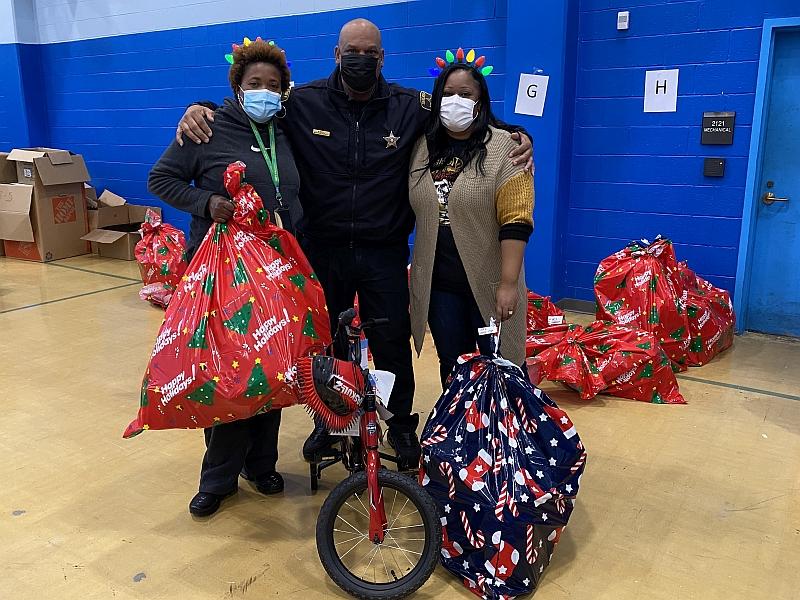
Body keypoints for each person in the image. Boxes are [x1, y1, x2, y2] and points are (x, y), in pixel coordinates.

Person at [175, 19, 532, 470]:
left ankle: (401, 427)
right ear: (336, 54)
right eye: (351, 51)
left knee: (391, 344)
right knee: (326, 345)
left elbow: (467, 119)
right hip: (321, 251)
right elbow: (248, 114)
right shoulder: (300, 103)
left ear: (381, 58)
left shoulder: (409, 106)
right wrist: (199, 106)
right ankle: (333, 424)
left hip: (383, 252)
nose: (360, 60)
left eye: (369, 52)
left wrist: (520, 136)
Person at [148, 38, 300, 517]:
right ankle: (217, 479)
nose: (265, 92)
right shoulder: (207, 128)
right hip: (221, 275)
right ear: (238, 86)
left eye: (273, 86)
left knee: (273, 368)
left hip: (275, 272)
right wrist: (206, 204)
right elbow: (161, 179)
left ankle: (261, 464)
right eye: (255, 84)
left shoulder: (286, 128)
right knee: (227, 373)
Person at [408, 53, 534, 387]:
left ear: (481, 101)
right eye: (448, 93)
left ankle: (501, 435)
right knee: (453, 364)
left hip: (490, 283)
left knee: (499, 364)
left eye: (465, 94)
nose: (455, 101)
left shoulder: (506, 148)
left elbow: (517, 222)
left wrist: (508, 283)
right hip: (440, 285)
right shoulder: (422, 148)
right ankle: (459, 432)